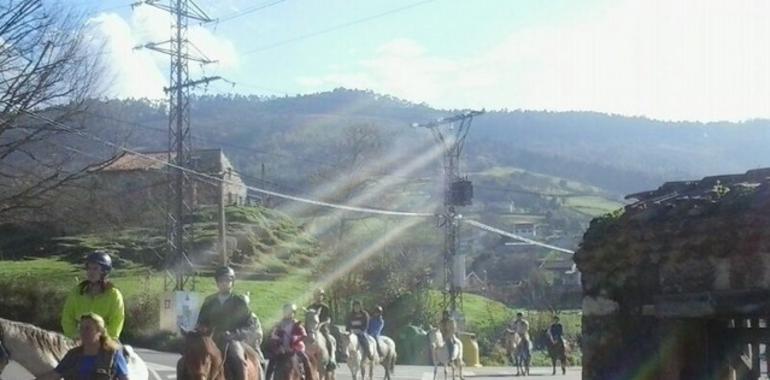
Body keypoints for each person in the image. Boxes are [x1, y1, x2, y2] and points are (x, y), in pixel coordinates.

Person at [197, 266, 258, 380]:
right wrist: (202, 329)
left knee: (239, 360)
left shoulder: (239, 302)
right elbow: (201, 322)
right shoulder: (209, 301)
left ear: (232, 282)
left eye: (227, 280)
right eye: (221, 280)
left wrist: (234, 334)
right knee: (185, 361)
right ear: (217, 282)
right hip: (210, 340)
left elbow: (250, 326)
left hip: (231, 341)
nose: (224, 283)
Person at [35, 313, 129, 380]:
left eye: (88, 328)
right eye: (81, 328)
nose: (83, 332)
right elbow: (54, 375)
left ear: (99, 332)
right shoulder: (73, 355)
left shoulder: (113, 355)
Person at [61, 251, 125, 340]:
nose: (91, 272)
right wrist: (74, 336)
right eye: (89, 268)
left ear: (104, 272)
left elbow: (117, 321)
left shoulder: (113, 295)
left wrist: (104, 340)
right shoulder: (77, 292)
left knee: (121, 354)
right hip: (79, 341)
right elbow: (67, 318)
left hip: (105, 342)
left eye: (95, 269)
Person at [265, 303, 313, 380]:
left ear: (293, 313)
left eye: (290, 312)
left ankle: (307, 376)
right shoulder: (279, 324)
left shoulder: (297, 324)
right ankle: (268, 377)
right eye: (286, 311)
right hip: (281, 349)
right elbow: (273, 335)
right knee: (272, 361)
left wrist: (294, 344)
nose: (287, 313)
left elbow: (304, 335)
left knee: (305, 359)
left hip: (294, 349)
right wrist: (278, 344)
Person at [308, 288, 336, 369]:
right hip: (311, 328)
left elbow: (328, 319)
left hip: (322, 328)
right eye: (317, 295)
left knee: (328, 340)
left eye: (320, 295)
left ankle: (331, 359)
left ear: (323, 297)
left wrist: (321, 325)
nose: (318, 297)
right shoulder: (310, 307)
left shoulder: (325, 307)